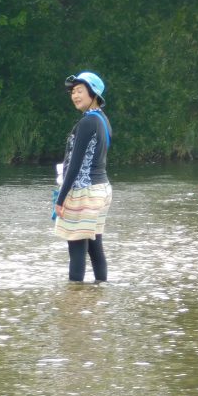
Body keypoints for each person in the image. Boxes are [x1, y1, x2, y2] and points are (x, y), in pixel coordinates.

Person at [54, 71, 113, 283]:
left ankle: (74, 304)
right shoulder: (103, 120)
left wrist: (60, 199)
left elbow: (75, 165)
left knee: (77, 249)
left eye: (80, 91)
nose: (75, 96)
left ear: (93, 93)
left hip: (85, 191)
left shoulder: (88, 122)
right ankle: (99, 295)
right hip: (102, 189)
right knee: (95, 247)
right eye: (73, 92)